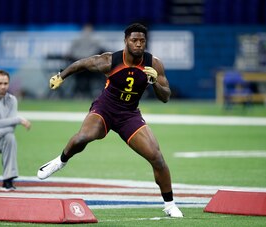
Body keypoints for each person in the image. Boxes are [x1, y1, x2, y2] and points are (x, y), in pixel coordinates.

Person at [37, 23, 183, 218]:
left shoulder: (153, 64)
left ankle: (170, 204)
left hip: (129, 115)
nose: (138, 44)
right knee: (83, 137)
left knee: (157, 157)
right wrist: (61, 76)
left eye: (142, 41)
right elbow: (82, 63)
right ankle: (60, 161)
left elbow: (165, 97)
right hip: (105, 109)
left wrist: (155, 81)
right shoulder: (110, 60)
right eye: (134, 40)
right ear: (126, 42)